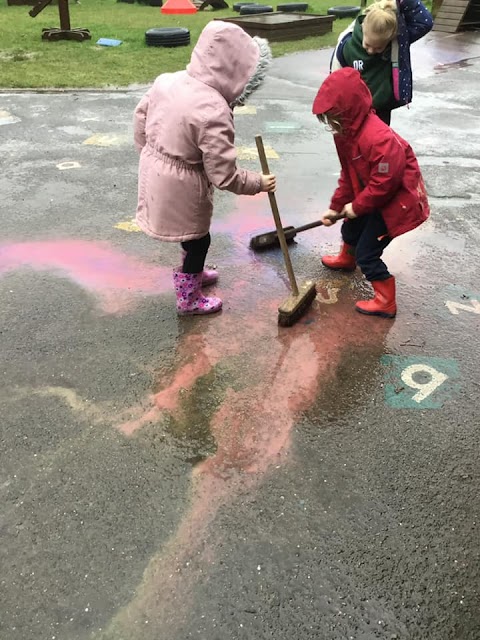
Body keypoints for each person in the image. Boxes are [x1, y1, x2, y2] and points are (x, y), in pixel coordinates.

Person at [133, 22, 276, 316]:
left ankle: (192, 274)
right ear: (237, 73)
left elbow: (140, 118)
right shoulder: (214, 110)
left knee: (189, 236)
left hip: (155, 170)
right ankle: (189, 298)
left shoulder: (168, 80)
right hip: (183, 186)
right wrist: (258, 183)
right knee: (199, 239)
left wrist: (149, 154)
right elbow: (223, 175)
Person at [312, 67, 429, 318]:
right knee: (350, 226)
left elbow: (385, 182)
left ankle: (386, 300)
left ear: (348, 110)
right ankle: (346, 258)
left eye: (334, 118)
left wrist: (357, 206)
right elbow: (348, 175)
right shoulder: (347, 134)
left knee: (368, 253)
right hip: (374, 197)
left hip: (396, 204)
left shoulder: (378, 138)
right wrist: (336, 207)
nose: (332, 125)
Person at [330, 0, 433, 125]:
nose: (371, 51)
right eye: (367, 45)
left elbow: (424, 23)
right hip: (354, 112)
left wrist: (402, 2)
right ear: (363, 28)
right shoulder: (347, 46)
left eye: (379, 48)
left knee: (379, 144)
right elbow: (335, 79)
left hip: (381, 112)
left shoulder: (395, 43)